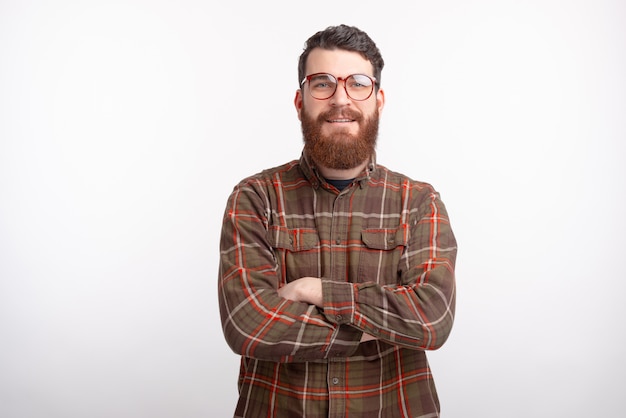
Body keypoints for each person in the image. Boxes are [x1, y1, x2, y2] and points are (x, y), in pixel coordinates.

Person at [218, 24, 457, 418]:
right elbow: (248, 324)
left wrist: (315, 290)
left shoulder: (418, 202)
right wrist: (381, 326)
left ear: (378, 100)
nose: (340, 98)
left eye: (358, 83)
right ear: (300, 101)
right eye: (323, 83)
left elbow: (432, 319)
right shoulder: (255, 197)